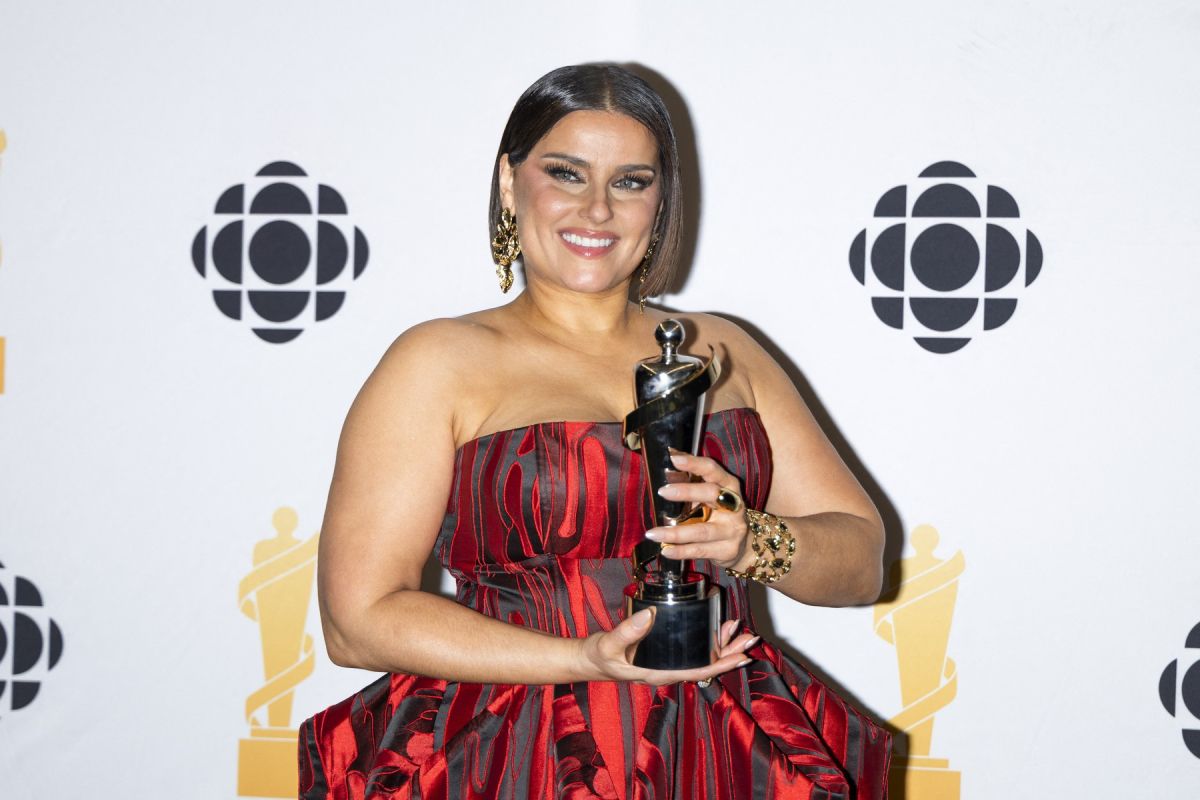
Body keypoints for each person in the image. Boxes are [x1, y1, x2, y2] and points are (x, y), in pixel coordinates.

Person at [299, 64, 891, 800]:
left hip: (722, 752)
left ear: (661, 202)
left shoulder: (725, 351)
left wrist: (750, 540)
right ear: (510, 183)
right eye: (567, 174)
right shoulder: (438, 362)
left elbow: (861, 562)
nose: (599, 209)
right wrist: (582, 658)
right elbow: (357, 622)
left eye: (631, 182)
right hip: (511, 754)